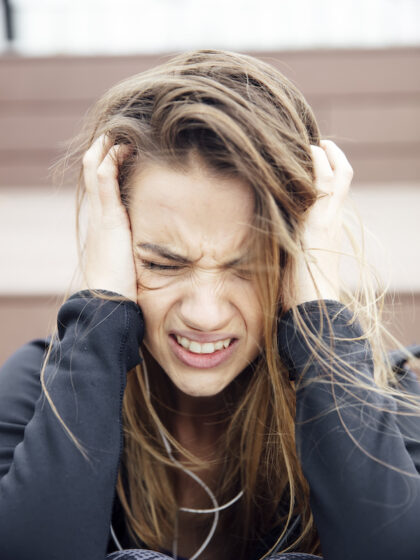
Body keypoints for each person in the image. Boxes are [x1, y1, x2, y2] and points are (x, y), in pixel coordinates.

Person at [0, 49, 419, 560]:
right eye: (161, 264)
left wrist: (319, 323)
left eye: (250, 267)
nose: (205, 313)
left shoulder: (399, 401)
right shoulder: (37, 391)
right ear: (115, 249)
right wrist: (101, 311)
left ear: (296, 257)